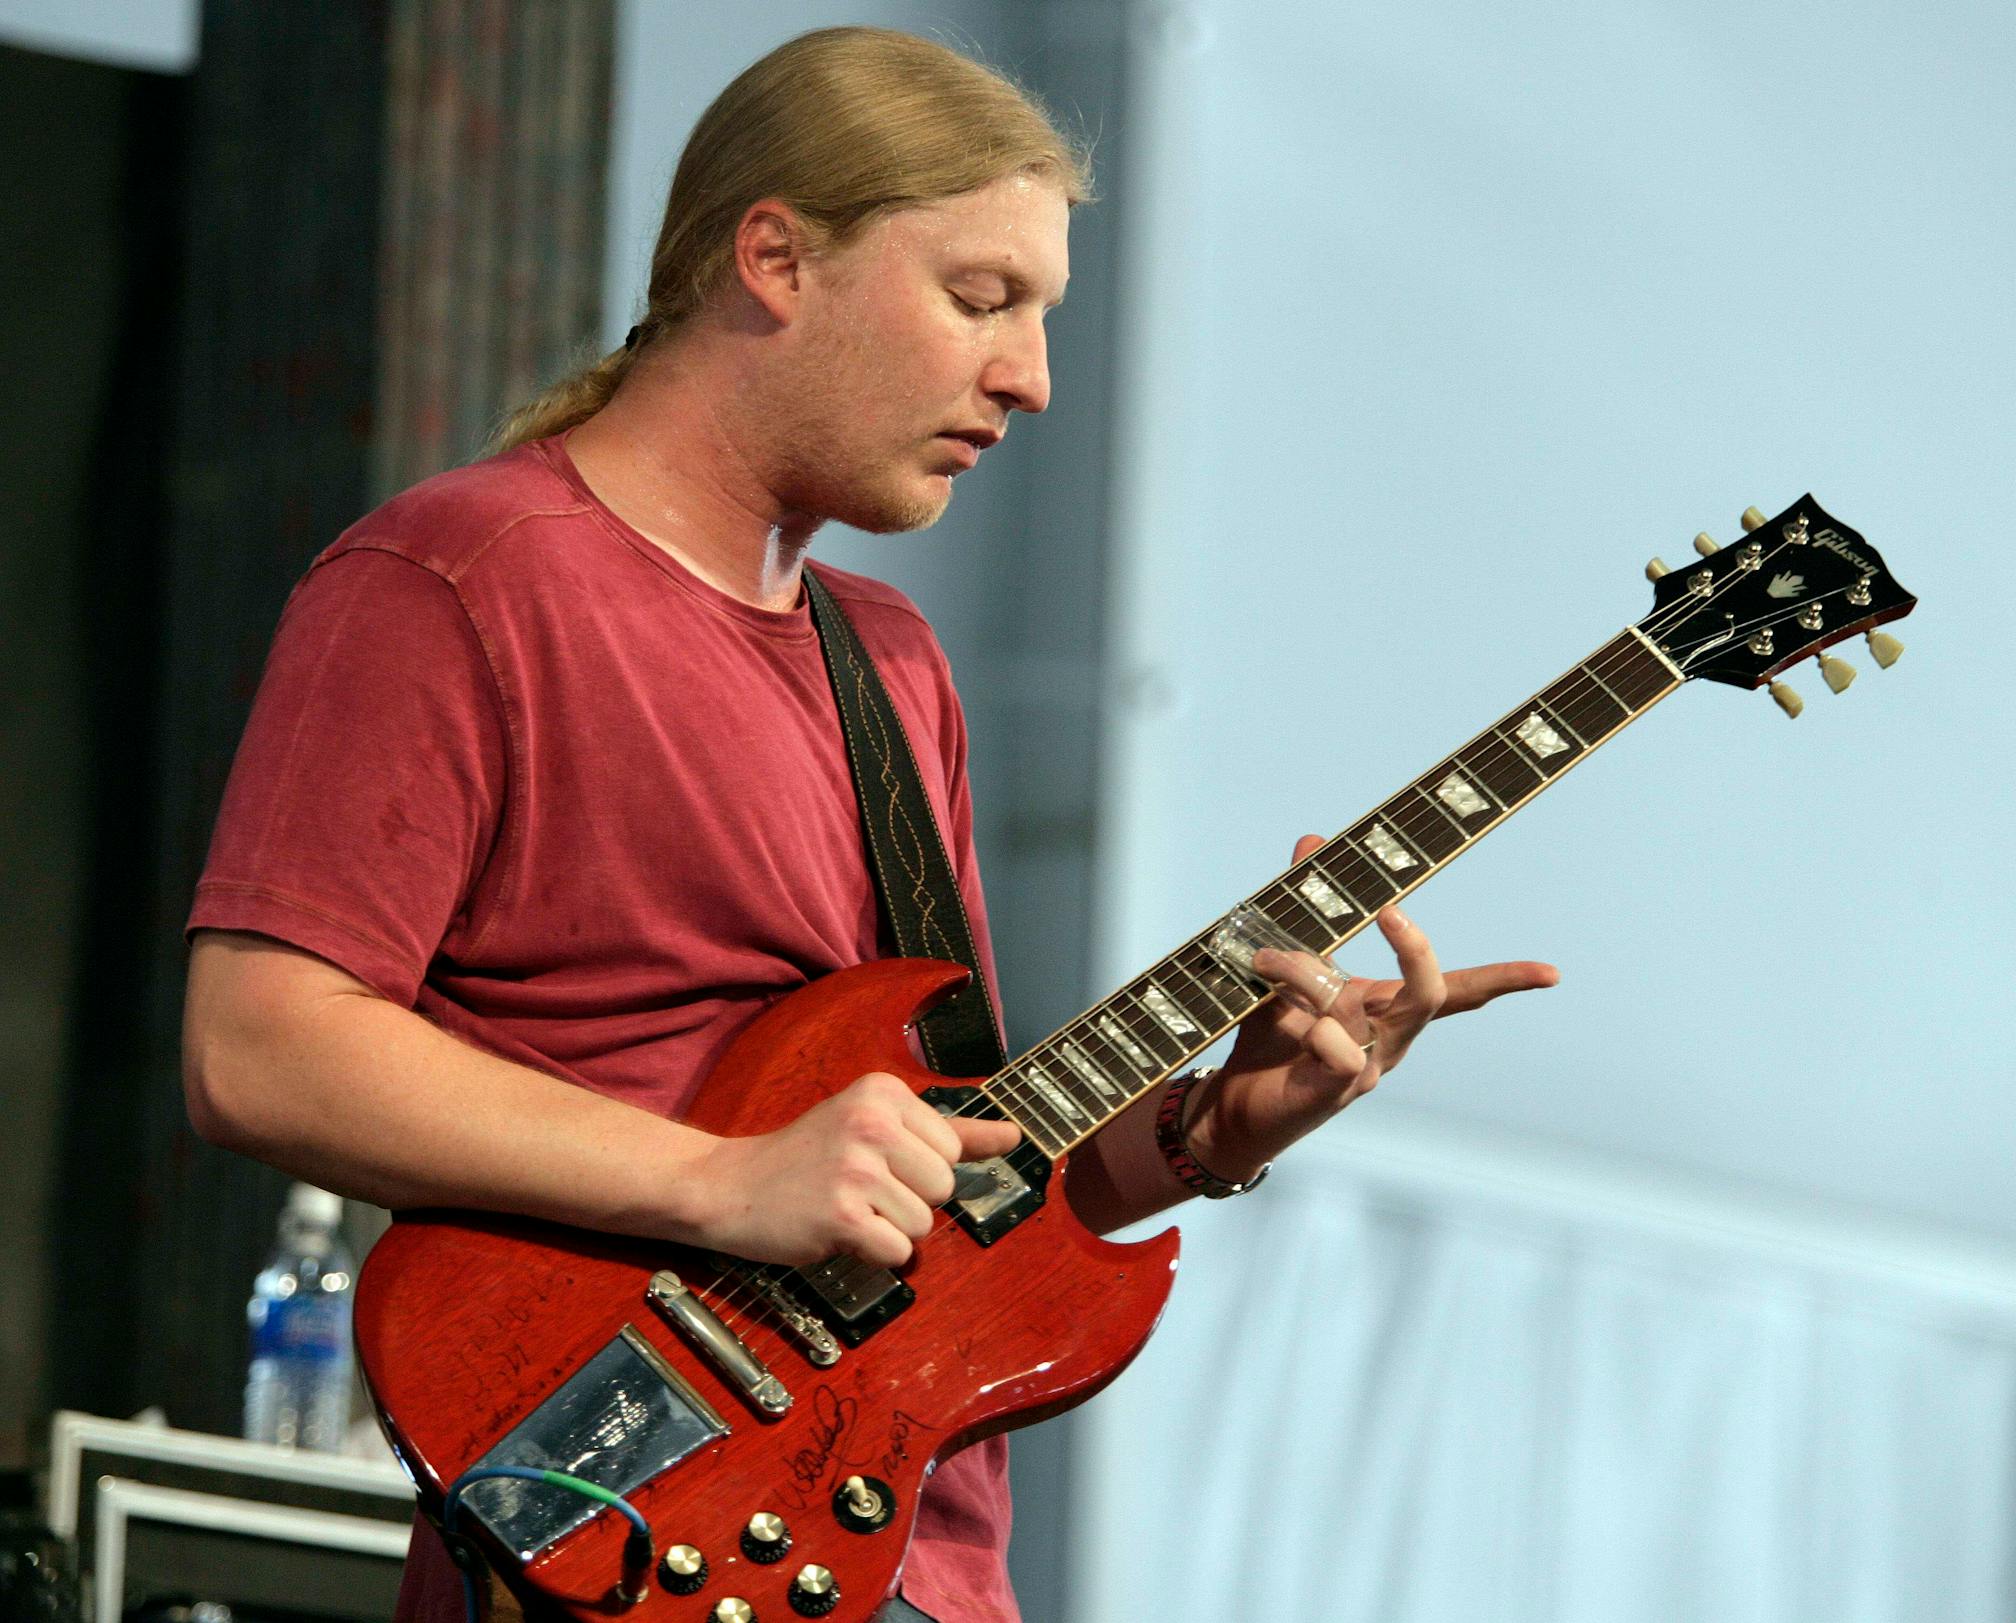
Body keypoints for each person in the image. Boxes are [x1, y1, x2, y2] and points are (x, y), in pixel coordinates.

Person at [180, 25, 1556, 1623]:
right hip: (623, 1519)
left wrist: (1206, 1131)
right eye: (981, 299)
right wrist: (723, 1185)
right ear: (774, 257)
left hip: (909, 1551)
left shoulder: (891, 666)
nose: (1032, 377)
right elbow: (257, 1047)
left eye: (1041, 315)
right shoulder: (460, 580)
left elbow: (940, 1175)